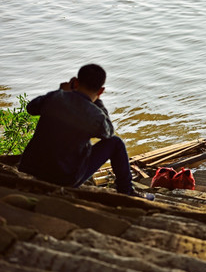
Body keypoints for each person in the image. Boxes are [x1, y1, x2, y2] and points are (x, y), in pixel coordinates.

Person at [18, 64, 152, 199]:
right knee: (115, 142)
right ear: (101, 91)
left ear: (75, 82)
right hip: (65, 179)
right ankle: (127, 191)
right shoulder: (95, 115)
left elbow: (31, 108)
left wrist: (60, 91)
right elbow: (108, 133)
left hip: (30, 168)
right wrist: (98, 103)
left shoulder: (55, 98)